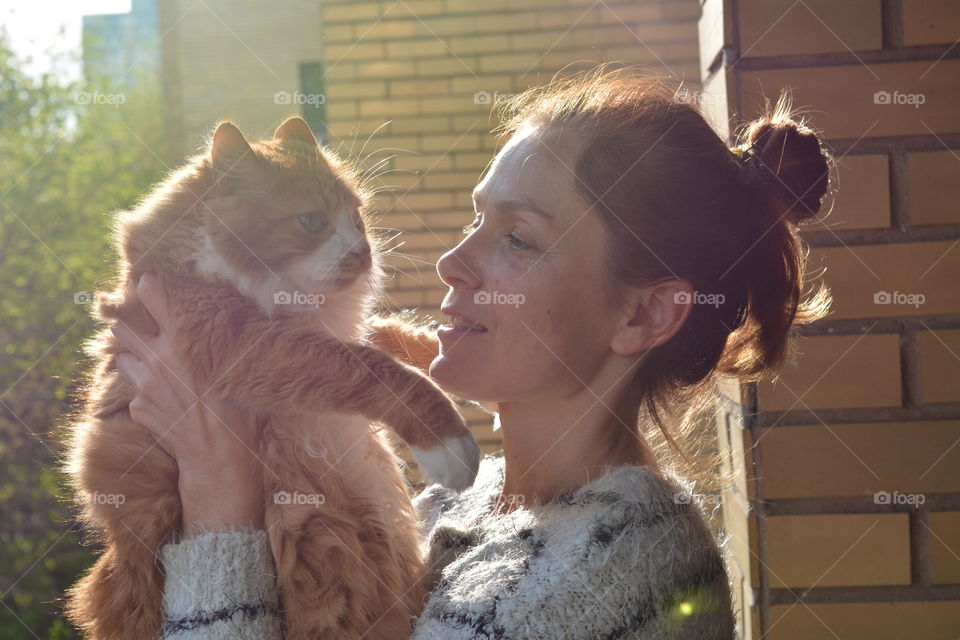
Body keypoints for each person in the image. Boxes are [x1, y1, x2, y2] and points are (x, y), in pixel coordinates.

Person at [111, 68, 831, 639]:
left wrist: (219, 511)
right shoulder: (474, 504)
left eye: (517, 237)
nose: (453, 262)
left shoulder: (613, 574)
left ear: (643, 313)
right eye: (475, 217)